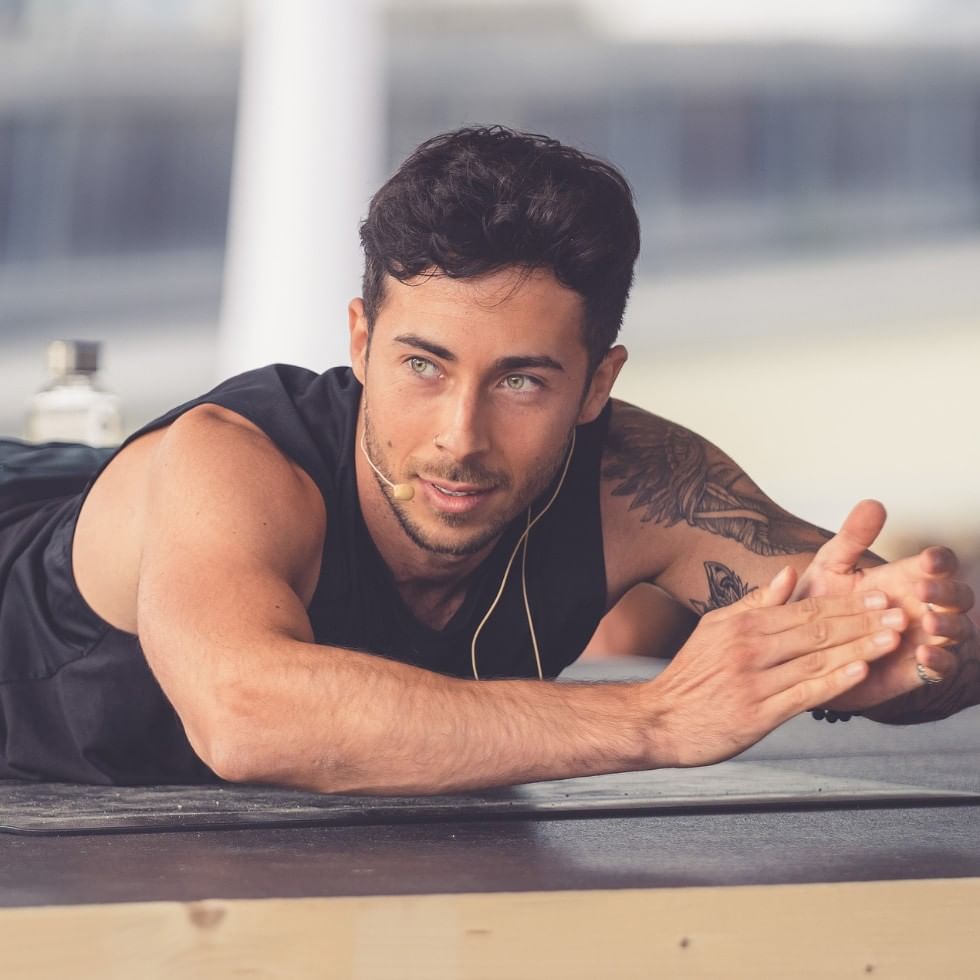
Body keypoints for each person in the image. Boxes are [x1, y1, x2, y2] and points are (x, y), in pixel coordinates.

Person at [0, 126, 976, 791]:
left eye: (519, 381)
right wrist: (655, 718)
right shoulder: (233, 469)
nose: (459, 435)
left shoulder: (637, 481)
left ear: (595, 383)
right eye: (422, 365)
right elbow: (245, 713)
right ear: (359, 338)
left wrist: (904, 653)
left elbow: (901, 632)